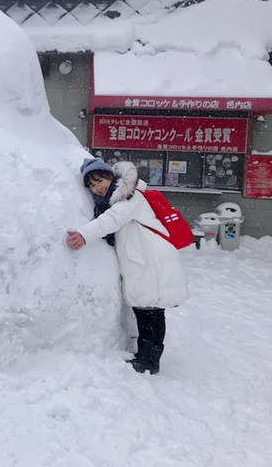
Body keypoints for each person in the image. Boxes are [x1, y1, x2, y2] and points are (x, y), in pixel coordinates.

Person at [66, 157, 189, 375]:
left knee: (151, 311)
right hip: (143, 259)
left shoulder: (129, 195)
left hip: (152, 259)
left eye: (100, 180)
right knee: (145, 310)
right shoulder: (117, 198)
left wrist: (84, 235)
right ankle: (146, 356)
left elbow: (112, 219)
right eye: (92, 186)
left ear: (110, 176)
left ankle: (150, 361)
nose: (98, 188)